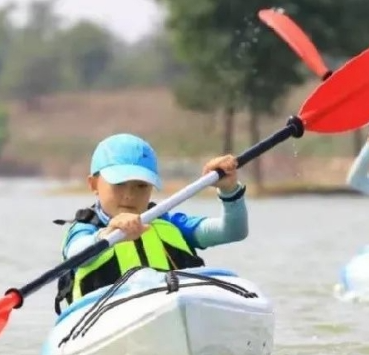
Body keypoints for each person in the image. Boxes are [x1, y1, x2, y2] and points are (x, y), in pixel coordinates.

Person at [53, 133, 249, 313]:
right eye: (119, 184)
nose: (129, 196)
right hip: (104, 323)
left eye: (141, 186)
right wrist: (108, 233)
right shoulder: (84, 230)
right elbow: (77, 254)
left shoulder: (168, 223)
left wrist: (230, 191)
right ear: (93, 184)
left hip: (170, 314)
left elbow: (232, 231)